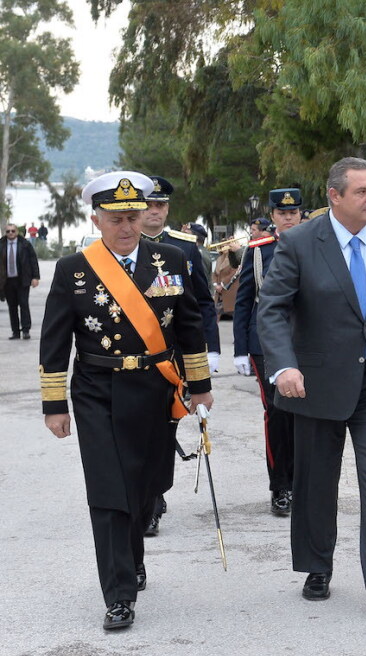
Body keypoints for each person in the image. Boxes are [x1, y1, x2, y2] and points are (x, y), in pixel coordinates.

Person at [257, 156, 366, 611]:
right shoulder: (298, 242)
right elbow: (273, 308)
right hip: (314, 382)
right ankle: (318, 566)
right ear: (335, 196)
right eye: (361, 191)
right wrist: (283, 366)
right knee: (317, 480)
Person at [40, 171, 213, 630]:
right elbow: (55, 342)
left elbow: (190, 325)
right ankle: (118, 594)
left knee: (143, 487)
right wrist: (54, 404)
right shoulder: (74, 269)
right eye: (116, 218)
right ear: (97, 219)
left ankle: (133, 558)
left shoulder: (171, 259)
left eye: (133, 216)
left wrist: (199, 386)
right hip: (98, 391)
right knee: (109, 492)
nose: (127, 226)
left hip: (156, 389)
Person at [138, 175, 221, 536]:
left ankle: (153, 500)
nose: (155, 211)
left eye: (161, 205)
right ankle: (144, 495)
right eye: (149, 205)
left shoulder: (184, 248)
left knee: (162, 428)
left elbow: (201, 303)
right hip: (131, 356)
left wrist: (208, 351)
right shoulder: (119, 247)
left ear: (168, 209)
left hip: (172, 359)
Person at [233, 187, 305, 516]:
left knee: (308, 414)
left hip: (309, 342)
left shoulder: (318, 244)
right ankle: (281, 487)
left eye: (293, 212)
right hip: (267, 344)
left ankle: (305, 483)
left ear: (301, 214)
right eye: (282, 213)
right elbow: (245, 300)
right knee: (277, 413)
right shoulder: (260, 250)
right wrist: (240, 349)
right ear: (273, 216)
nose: (288, 218)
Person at [4, 222, 39, 339]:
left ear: (17, 232)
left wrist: (35, 277)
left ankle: (25, 330)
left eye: (13, 231)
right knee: (12, 307)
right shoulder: (1, 244)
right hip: (7, 281)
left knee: (24, 305)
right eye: (8, 231)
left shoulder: (25, 244)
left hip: (22, 280)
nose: (10, 233)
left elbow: (33, 260)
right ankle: (15, 332)